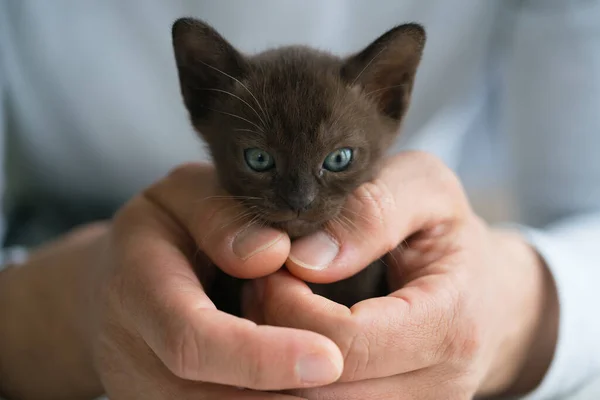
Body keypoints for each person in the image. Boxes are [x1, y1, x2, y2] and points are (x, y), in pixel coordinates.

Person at [1, 1, 599, 399]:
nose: (300, 198)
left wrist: (514, 311)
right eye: (259, 161)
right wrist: (62, 309)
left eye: (338, 163)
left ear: (391, 98)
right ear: (202, 98)